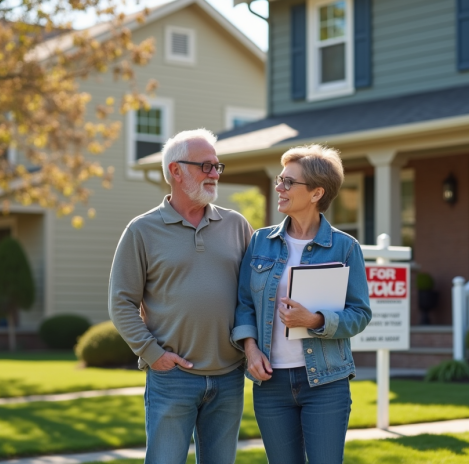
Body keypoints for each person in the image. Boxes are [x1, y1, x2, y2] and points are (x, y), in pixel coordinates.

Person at [108, 129, 252, 464]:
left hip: (229, 376)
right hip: (172, 378)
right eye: (206, 166)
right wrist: (152, 353)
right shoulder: (141, 231)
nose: (215, 174)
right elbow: (121, 302)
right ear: (176, 170)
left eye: (218, 166)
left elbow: (251, 297)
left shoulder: (237, 226)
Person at [231, 144, 372, 464]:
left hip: (326, 383)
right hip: (271, 385)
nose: (279, 188)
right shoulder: (259, 241)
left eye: (288, 182)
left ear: (316, 193)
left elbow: (360, 313)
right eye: (280, 180)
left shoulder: (345, 247)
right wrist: (250, 351)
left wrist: (315, 320)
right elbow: (243, 305)